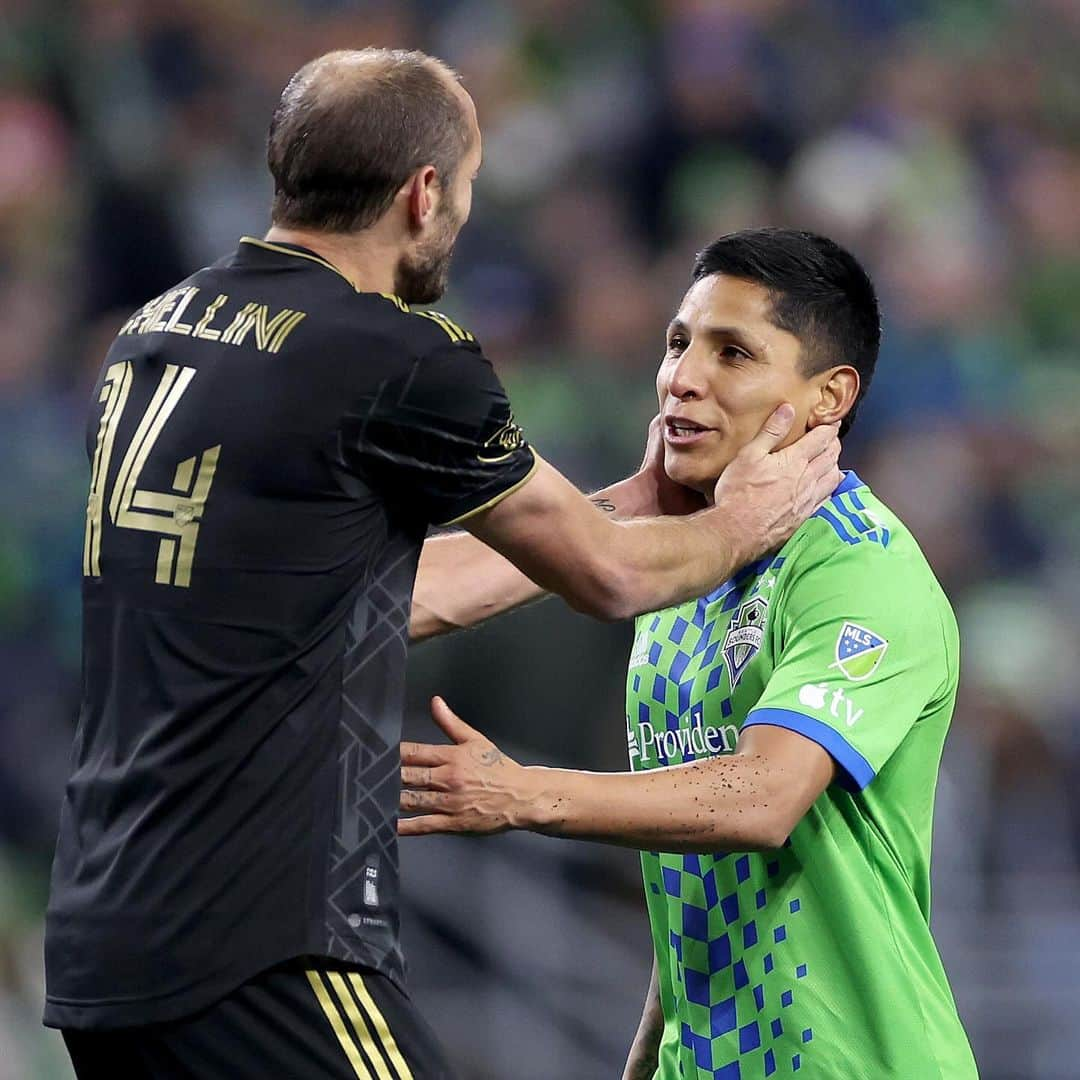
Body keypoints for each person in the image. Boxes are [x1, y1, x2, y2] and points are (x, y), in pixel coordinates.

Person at [44, 49, 841, 1080]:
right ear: (424, 193)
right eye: (465, 185)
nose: (463, 214)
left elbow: (368, 598)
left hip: (108, 936)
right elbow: (615, 580)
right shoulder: (396, 353)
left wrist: (629, 502)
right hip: (260, 939)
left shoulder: (155, 333)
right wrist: (744, 521)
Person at [400, 229, 979, 1079]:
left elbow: (763, 797)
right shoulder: (684, 574)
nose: (682, 378)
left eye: (733, 352)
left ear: (828, 398)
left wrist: (520, 793)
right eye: (679, 343)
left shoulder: (859, 567)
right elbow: (697, 877)